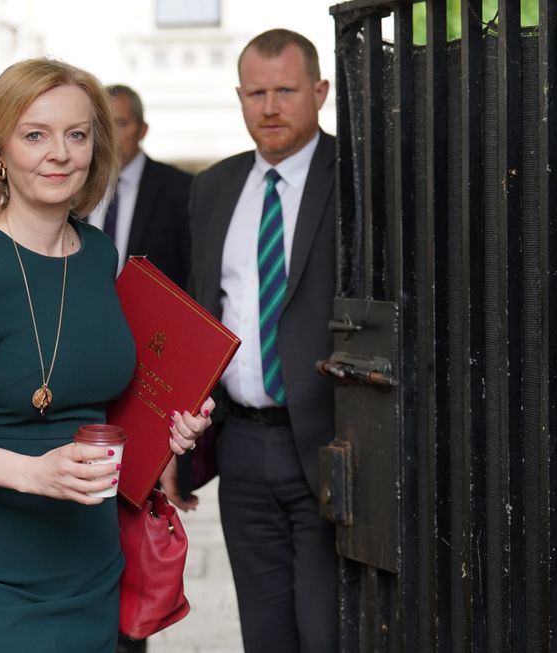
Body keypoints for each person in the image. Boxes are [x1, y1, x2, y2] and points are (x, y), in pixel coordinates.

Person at [0, 58, 214, 653]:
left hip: (87, 557)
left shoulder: (100, 254)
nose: (60, 153)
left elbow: (104, 393)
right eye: (35, 134)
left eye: (77, 134)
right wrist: (34, 472)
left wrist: (168, 427)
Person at [163, 28, 338, 653]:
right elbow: (197, 316)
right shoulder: (211, 188)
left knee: (326, 631)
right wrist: (176, 448)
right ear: (239, 95)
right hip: (240, 446)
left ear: (319, 91)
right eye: (256, 93)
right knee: (263, 633)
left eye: (286, 91)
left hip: (330, 444)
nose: (270, 107)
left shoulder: (355, 178)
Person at [86, 84, 192, 288]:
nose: (111, 137)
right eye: (102, 125)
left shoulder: (181, 189)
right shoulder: (76, 186)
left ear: (142, 130)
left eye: (121, 123)